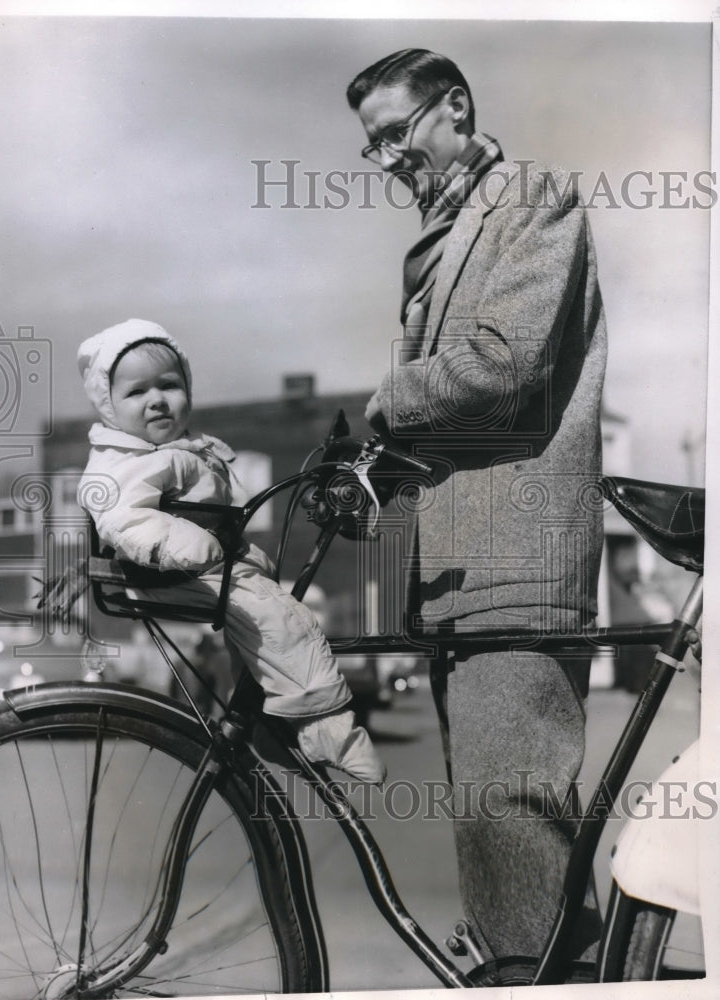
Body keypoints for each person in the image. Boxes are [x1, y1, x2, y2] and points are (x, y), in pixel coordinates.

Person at [346, 49, 607, 959]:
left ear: (453, 107)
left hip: (518, 556)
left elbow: (505, 365)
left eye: (395, 134)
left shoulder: (532, 199)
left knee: (513, 818)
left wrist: (390, 401)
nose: (388, 161)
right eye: (372, 148)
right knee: (504, 840)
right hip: (461, 569)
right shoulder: (445, 232)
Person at [77, 317, 385, 783]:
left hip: (204, 569)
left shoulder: (176, 451)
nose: (157, 399)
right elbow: (124, 518)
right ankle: (329, 733)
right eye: (137, 392)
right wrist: (186, 544)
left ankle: (266, 728)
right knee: (282, 619)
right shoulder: (124, 460)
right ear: (109, 406)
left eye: (169, 385)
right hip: (168, 573)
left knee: (258, 638)